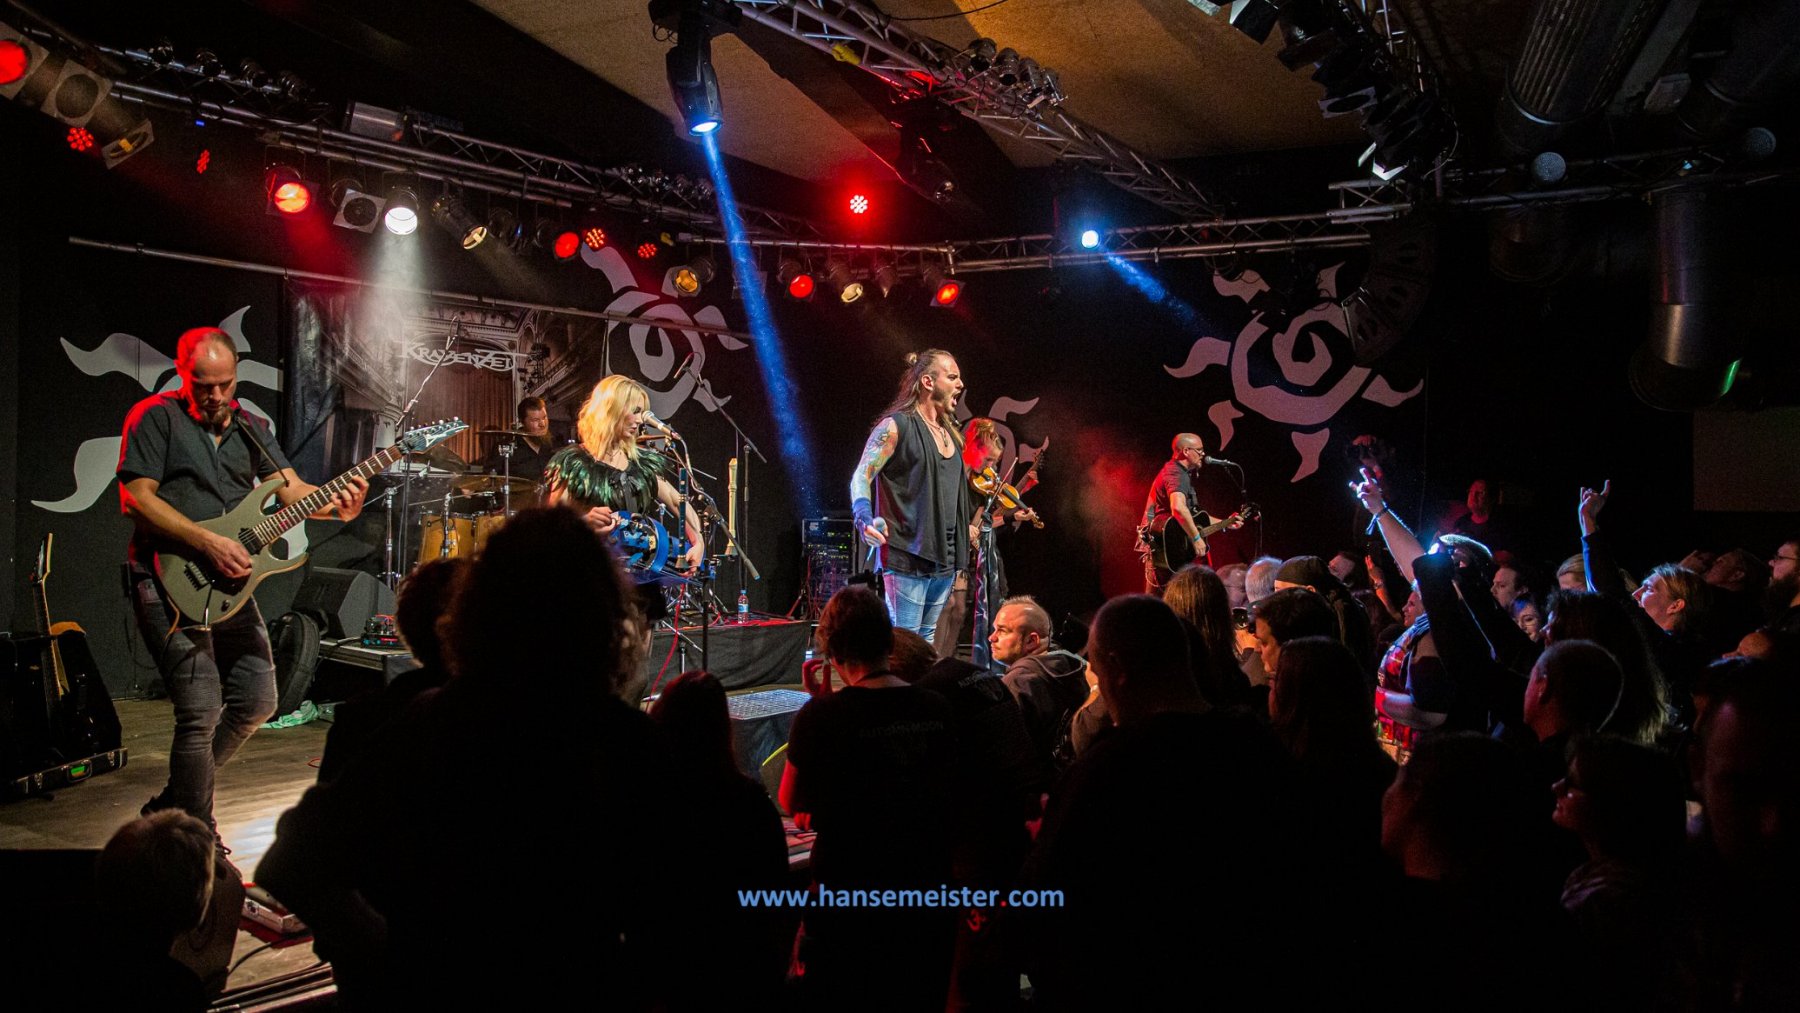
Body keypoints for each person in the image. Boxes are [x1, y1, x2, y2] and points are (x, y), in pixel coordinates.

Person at [257, 508, 704, 1007]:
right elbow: (678, 909)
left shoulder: (431, 723)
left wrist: (382, 958)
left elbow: (293, 861)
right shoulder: (625, 740)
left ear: (484, 607)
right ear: (602, 613)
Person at [118, 327, 367, 842]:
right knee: (201, 709)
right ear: (182, 374)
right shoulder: (154, 417)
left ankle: (174, 804)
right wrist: (206, 542)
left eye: (225, 384)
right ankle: (198, 834)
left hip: (229, 585)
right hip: (169, 578)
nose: (215, 396)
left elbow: (291, 491)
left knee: (257, 699)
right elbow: (136, 499)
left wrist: (338, 506)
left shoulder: (253, 426)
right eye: (202, 385)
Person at [1021, 595, 1301, 1009]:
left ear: (1117, 670)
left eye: (1095, 669)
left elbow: (1044, 903)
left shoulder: (1106, 770)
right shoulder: (1258, 744)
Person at [779, 587, 957, 1010]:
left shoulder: (822, 716)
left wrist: (820, 708)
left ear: (832, 651)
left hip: (849, 903)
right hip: (926, 897)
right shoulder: (938, 706)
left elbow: (790, 800)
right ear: (889, 641)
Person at [850, 350, 971, 643]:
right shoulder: (896, 426)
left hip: (944, 556)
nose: (960, 384)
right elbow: (862, 475)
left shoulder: (950, 433)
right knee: (905, 641)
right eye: (952, 377)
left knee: (925, 641)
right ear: (928, 382)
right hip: (909, 553)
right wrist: (863, 517)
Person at [543, 374, 704, 575]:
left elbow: (677, 501)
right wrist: (584, 522)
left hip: (636, 576)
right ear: (611, 410)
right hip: (588, 573)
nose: (639, 420)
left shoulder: (640, 462)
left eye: (642, 413)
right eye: (635, 411)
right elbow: (551, 525)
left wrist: (698, 541)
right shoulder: (573, 462)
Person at [992, 595, 1090, 772]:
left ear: (1032, 641)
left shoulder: (1017, 684)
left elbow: (1005, 753)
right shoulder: (1073, 666)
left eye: (1002, 631)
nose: (992, 638)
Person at [1136, 433, 1234, 595]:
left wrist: (1226, 522)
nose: (1203, 454)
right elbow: (1178, 508)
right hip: (1164, 549)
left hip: (1171, 548)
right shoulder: (1176, 474)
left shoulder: (1178, 472)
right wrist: (1196, 538)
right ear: (1186, 451)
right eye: (1199, 450)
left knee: (1166, 601)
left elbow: (1194, 517)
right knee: (1160, 602)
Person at [478, 395, 562, 491]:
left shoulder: (554, 445)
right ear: (522, 421)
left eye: (544, 417)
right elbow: (488, 479)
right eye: (535, 420)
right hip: (518, 499)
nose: (542, 424)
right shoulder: (506, 446)